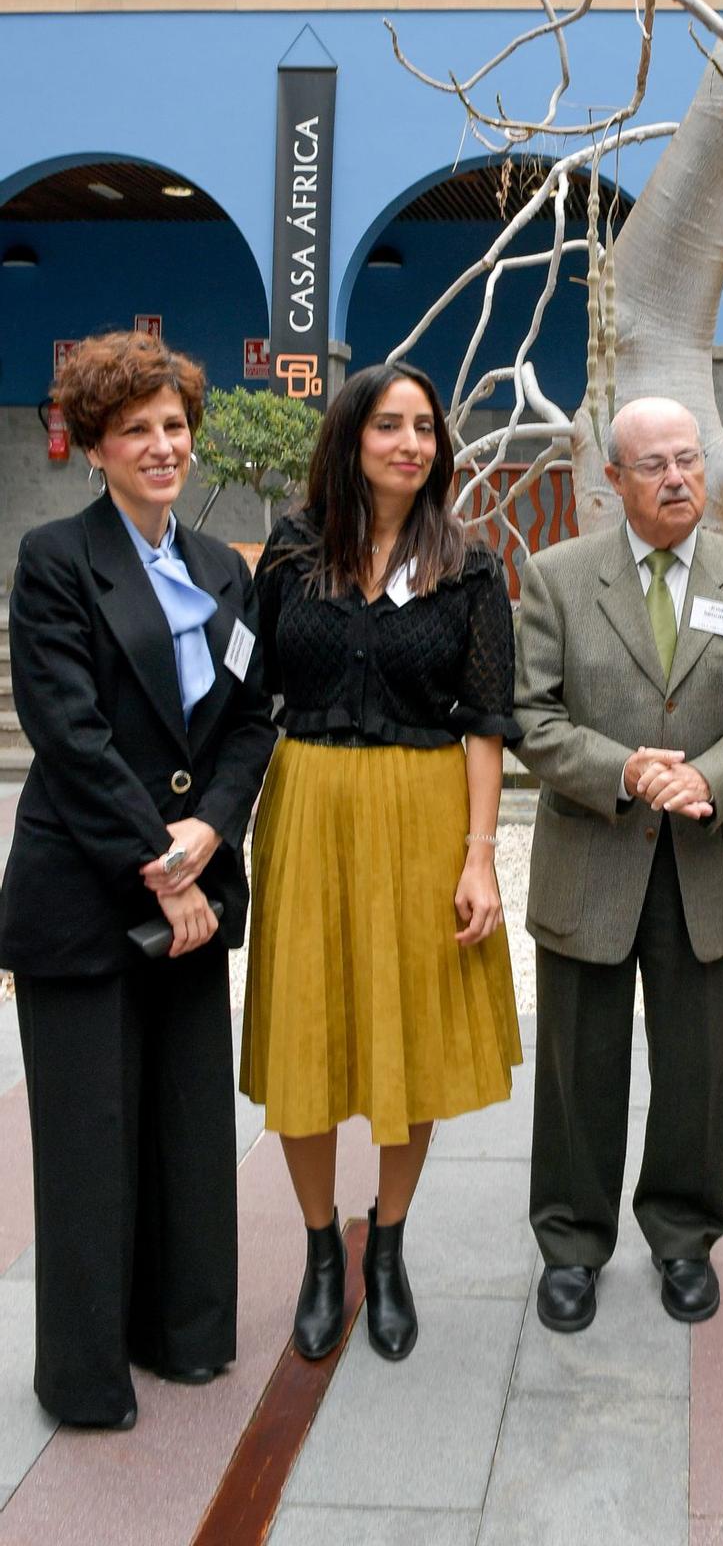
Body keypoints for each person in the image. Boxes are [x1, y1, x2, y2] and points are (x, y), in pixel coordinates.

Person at [0, 332, 274, 1430]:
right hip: (86, 892)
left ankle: (188, 1335)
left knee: (188, 1126)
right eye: (135, 431)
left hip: (194, 890)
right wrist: (165, 868)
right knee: (88, 1144)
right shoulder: (55, 557)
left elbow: (250, 716)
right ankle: (84, 1373)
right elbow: (65, 730)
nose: (161, 446)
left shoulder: (219, 569)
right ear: (96, 446)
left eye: (173, 426)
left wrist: (211, 828)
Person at [240, 362, 521, 1364]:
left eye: (425, 426)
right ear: (351, 436)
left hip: (424, 803)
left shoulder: (468, 562)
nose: (410, 441)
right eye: (389, 424)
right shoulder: (292, 549)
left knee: (415, 1033)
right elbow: (248, 692)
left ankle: (388, 1243)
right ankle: (322, 1249)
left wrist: (479, 855)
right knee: (308, 1030)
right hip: (309, 803)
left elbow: (488, 720)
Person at [513, 397, 723, 1332]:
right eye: (655, 465)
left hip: (703, 862)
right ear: (615, 479)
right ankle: (571, 1243)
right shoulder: (557, 578)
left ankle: (684, 1236)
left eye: (689, 460)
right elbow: (531, 716)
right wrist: (625, 770)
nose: (679, 478)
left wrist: (710, 781)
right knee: (577, 1067)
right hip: (591, 857)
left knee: (696, 1069)